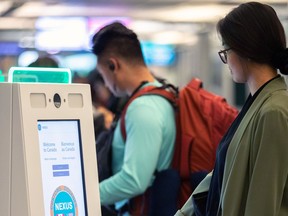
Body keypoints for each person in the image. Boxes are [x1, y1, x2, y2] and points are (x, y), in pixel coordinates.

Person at [175, 2, 288, 216]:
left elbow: (262, 204)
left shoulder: (274, 111)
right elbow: (223, 172)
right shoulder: (258, 102)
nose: (226, 60)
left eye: (226, 50)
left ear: (245, 50)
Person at [91, 22, 176, 214]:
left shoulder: (143, 107)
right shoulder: (161, 93)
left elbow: (134, 180)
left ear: (113, 65)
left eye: (103, 75)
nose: (105, 83)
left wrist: (85, 196)